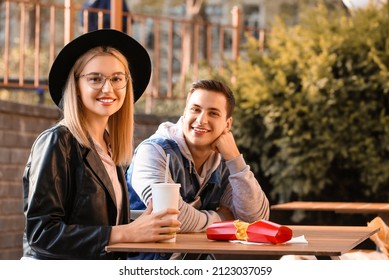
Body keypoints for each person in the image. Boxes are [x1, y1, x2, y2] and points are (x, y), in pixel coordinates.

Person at [22, 29, 180, 260]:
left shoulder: (108, 148)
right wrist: (125, 233)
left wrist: (145, 226)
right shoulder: (58, 142)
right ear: (76, 85)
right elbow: (42, 235)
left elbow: (107, 229)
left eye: (117, 78)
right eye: (95, 78)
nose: (108, 89)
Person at [126, 79, 270, 259]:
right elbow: (169, 218)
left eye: (213, 113)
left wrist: (235, 159)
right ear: (184, 113)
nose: (201, 120)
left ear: (227, 124)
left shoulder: (225, 163)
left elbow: (256, 222)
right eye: (195, 109)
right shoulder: (154, 152)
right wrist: (223, 219)